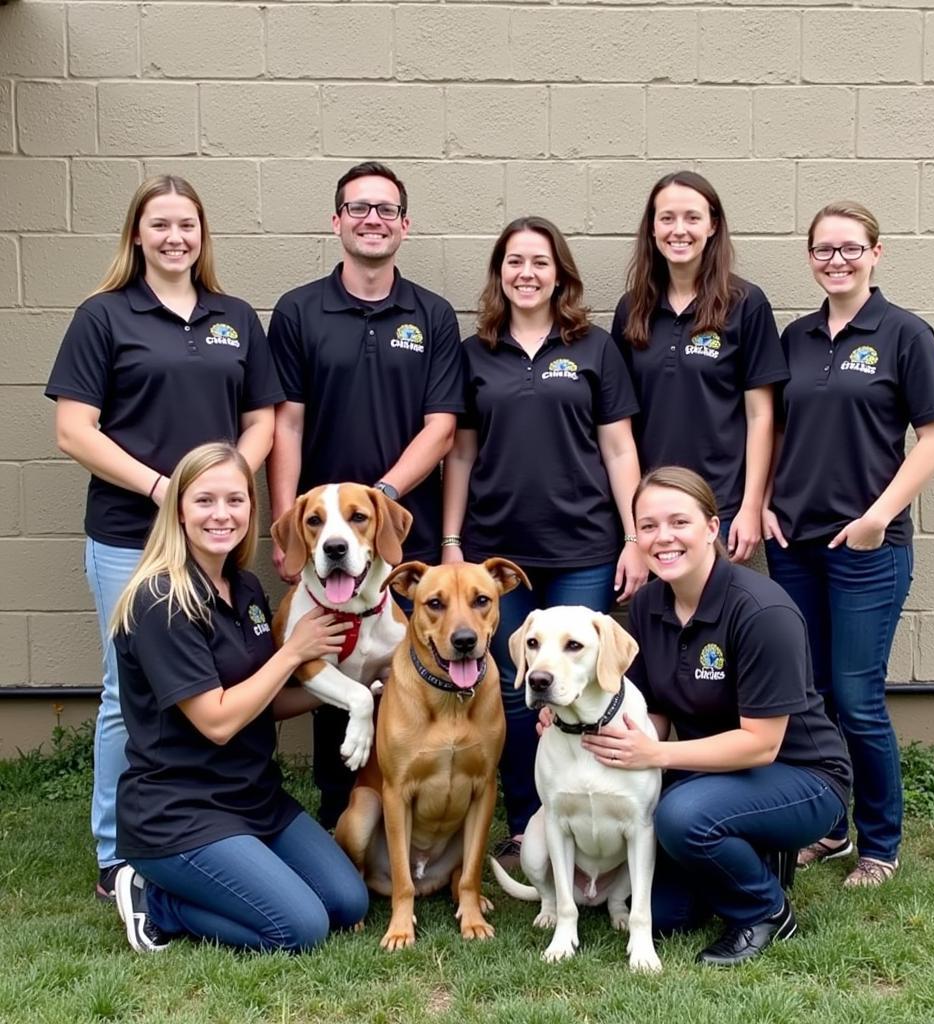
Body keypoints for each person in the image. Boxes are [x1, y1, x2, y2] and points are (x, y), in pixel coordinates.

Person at [44, 176, 282, 902]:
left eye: (188, 224)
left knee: (229, 670)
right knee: (128, 693)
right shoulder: (104, 316)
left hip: (217, 535)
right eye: (160, 224)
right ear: (137, 236)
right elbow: (72, 430)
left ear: (202, 235)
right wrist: (164, 491)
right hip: (129, 531)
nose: (175, 236)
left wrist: (223, 493)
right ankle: (120, 857)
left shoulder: (234, 317)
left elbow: (264, 420)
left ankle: (219, 822)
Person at [762, 202, 934, 887]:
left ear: (877, 254)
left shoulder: (904, 333)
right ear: (810, 257)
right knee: (810, 692)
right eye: (823, 250)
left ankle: (880, 844)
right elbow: (779, 432)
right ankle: (829, 828)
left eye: (850, 248)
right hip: (796, 545)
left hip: (868, 549)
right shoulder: (797, 337)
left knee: (857, 696)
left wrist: (878, 516)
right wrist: (765, 502)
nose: (836, 260)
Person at [579, 467, 852, 966]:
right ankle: (750, 852)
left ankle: (766, 911)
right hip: (710, 771)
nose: (663, 538)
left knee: (680, 817)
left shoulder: (761, 611)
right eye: (649, 525)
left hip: (801, 776)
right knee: (664, 915)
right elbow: (655, 710)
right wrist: (603, 735)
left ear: (711, 527)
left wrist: (656, 755)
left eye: (679, 522)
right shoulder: (647, 606)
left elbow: (761, 744)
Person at [441, 215, 647, 866]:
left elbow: (619, 450)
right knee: (511, 686)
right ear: (499, 274)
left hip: (584, 547)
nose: (526, 273)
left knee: (577, 685)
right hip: (498, 557)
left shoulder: (594, 348)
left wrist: (636, 536)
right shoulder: (474, 353)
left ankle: (599, 813)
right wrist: (452, 542)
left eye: (539, 261)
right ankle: (529, 821)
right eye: (513, 262)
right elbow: (461, 456)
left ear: (560, 273)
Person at [267, 161, 465, 828]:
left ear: (405, 226)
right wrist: (288, 522)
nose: (371, 218)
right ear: (337, 222)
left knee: (413, 667)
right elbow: (286, 421)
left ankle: (428, 802)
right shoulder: (298, 310)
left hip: (395, 529)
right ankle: (339, 807)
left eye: (385, 209)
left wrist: (378, 503)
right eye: (358, 208)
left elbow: (442, 428)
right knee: (332, 651)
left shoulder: (432, 315)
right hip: (321, 530)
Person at [109, 443, 368, 954]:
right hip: (182, 811)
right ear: (179, 511)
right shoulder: (161, 600)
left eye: (235, 500)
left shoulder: (244, 587)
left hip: (254, 799)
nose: (222, 514)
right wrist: (294, 652)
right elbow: (219, 721)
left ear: (252, 509)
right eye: (204, 501)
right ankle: (156, 899)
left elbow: (262, 700)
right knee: (300, 928)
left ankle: (236, 871)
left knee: (348, 902)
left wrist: (353, 692)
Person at [612, 171, 789, 562]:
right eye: (667, 218)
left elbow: (761, 416)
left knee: (713, 617)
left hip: (718, 508)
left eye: (692, 217)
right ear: (652, 229)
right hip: (652, 511)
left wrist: (749, 506)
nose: (679, 230)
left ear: (713, 226)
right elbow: (618, 424)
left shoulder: (745, 303)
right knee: (657, 619)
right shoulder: (632, 309)